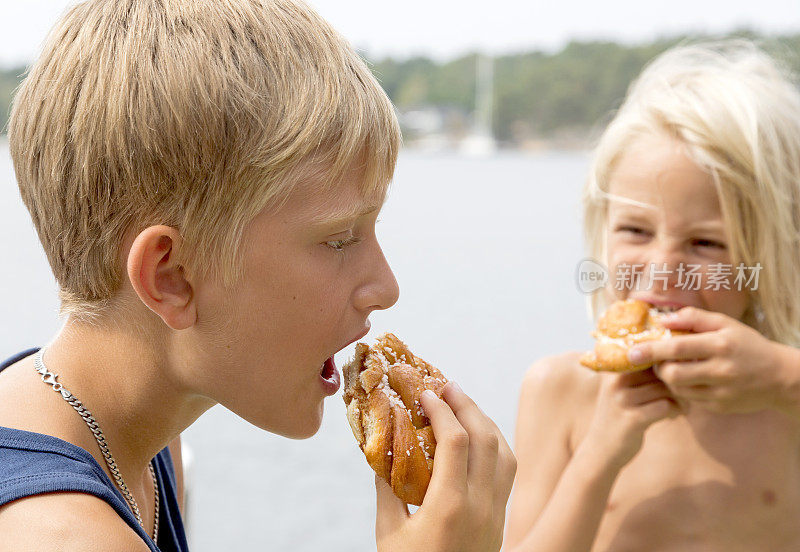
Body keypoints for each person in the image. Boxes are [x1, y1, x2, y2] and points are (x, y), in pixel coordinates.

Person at [0, 1, 516, 550]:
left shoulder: (144, 438)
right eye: (339, 239)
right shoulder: (61, 534)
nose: (386, 287)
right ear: (172, 276)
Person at [505, 41, 800, 551]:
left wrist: (782, 379)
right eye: (636, 232)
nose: (662, 269)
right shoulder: (559, 392)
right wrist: (600, 453)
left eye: (705, 243)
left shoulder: (785, 394)